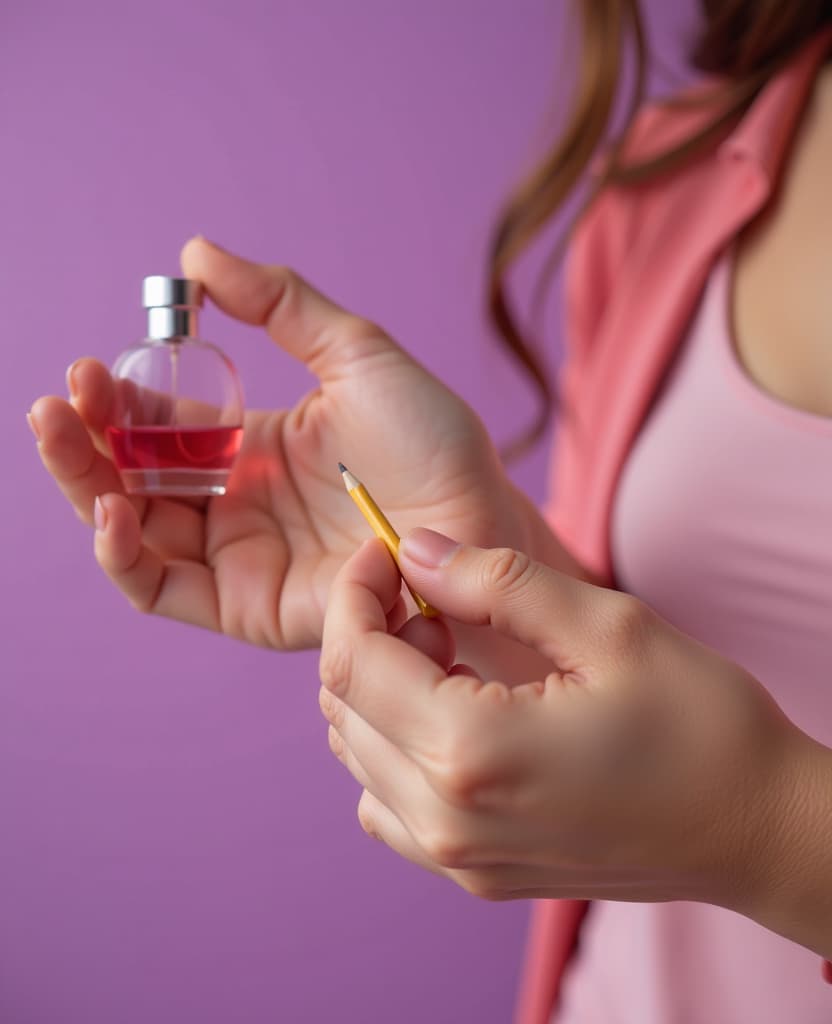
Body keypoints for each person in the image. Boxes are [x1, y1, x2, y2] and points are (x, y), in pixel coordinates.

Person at [29, 2, 832, 1020]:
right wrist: (487, 555)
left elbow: (711, 791)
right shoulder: (669, 177)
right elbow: (633, 661)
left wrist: (757, 831)